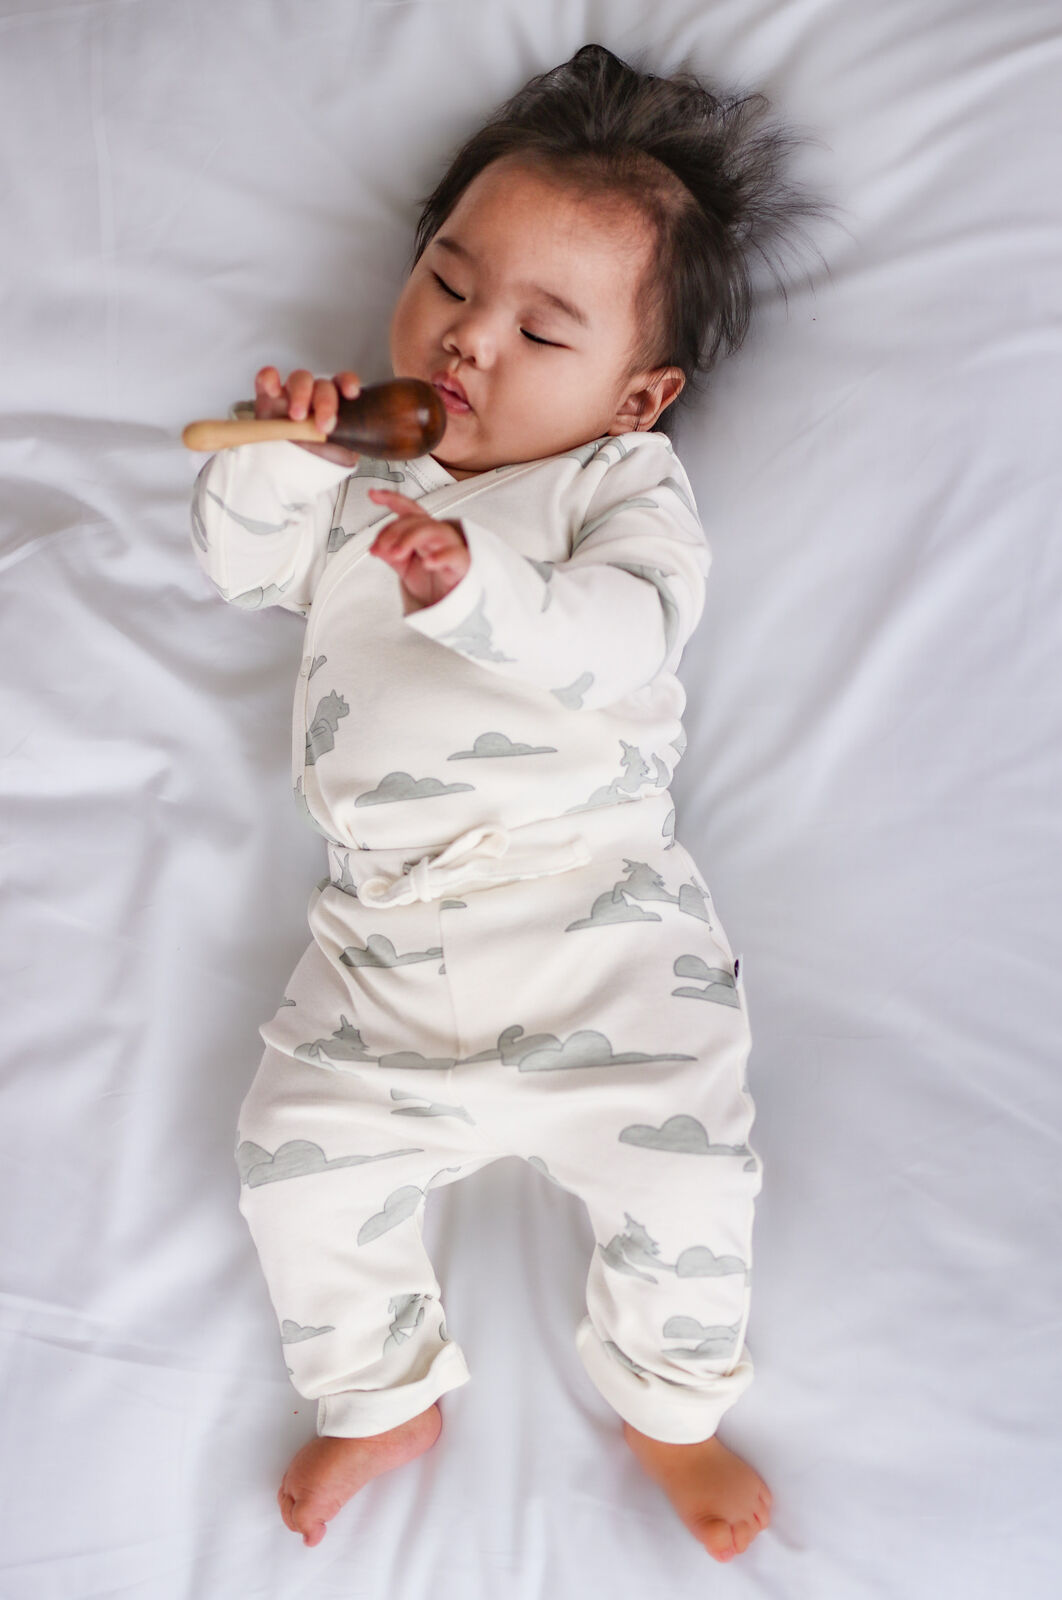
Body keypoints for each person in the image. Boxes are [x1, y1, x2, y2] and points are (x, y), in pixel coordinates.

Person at [189, 42, 821, 1563]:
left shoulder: (617, 491)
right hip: (379, 946)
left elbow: (624, 638)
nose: (467, 342)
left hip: (598, 931)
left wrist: (476, 585)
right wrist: (282, 460)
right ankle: (377, 1390)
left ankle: (671, 1411)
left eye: (541, 330)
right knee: (292, 1156)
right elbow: (246, 568)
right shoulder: (363, 479)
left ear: (636, 396)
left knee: (688, 1173)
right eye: (448, 284)